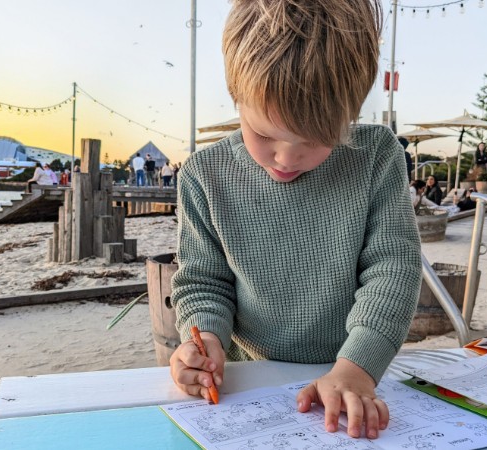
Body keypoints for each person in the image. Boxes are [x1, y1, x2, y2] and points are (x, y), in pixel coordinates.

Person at [170, 0, 421, 440]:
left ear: (350, 114)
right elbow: (204, 282)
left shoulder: (377, 155)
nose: (286, 158)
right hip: (250, 378)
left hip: (355, 367)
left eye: (314, 139)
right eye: (263, 134)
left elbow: (392, 271)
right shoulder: (203, 175)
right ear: (236, 96)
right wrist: (204, 339)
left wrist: (356, 368)